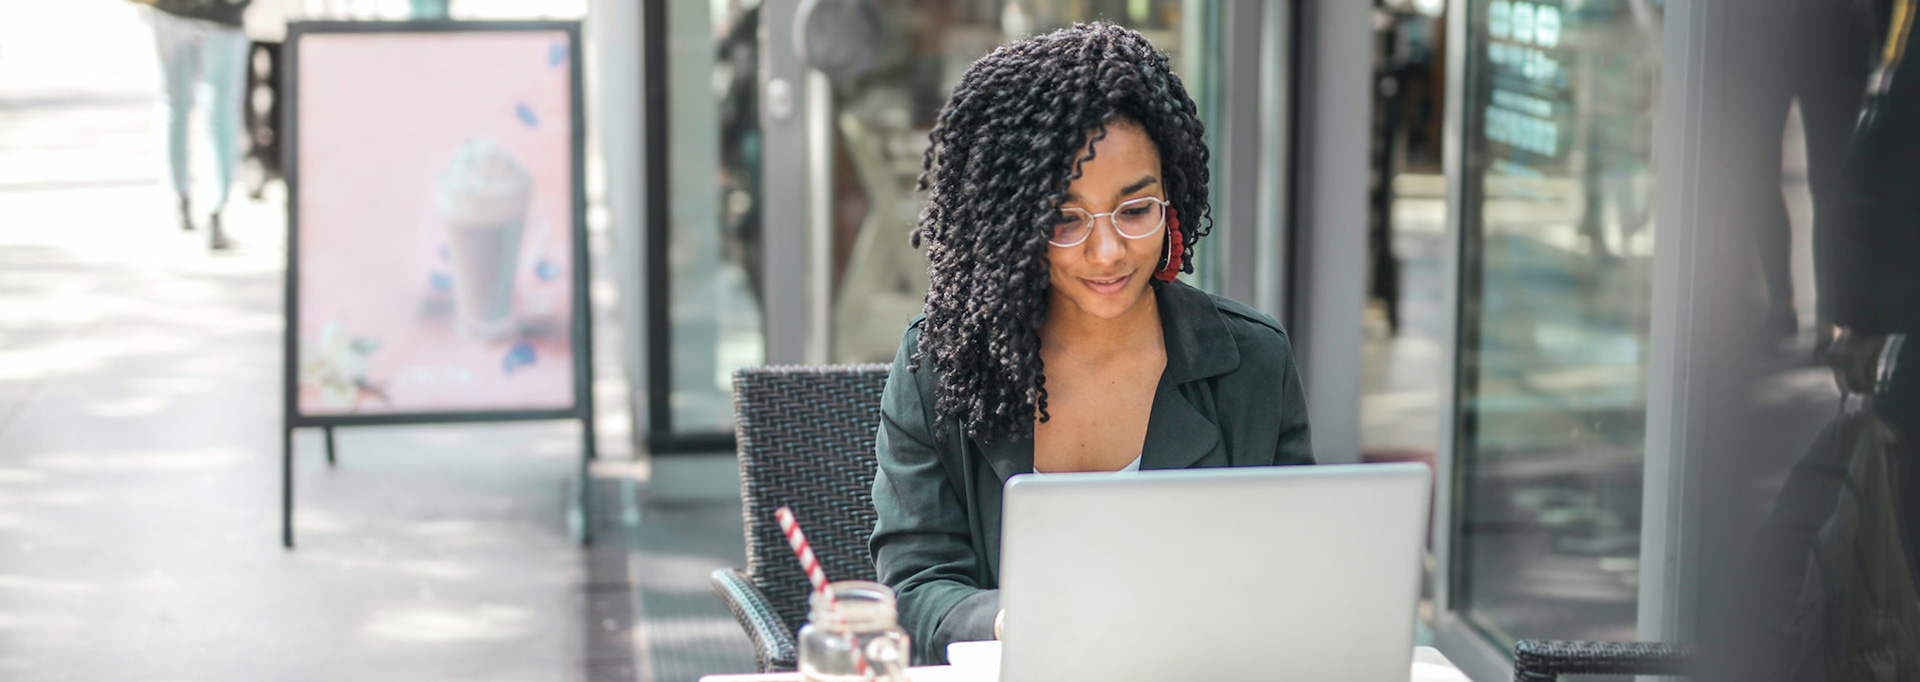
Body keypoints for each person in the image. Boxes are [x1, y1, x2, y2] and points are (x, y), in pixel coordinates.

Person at [867, 23, 1315, 665]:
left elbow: (1296, 579)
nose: (1107, 254)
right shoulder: (940, 366)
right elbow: (913, 590)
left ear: (1173, 202)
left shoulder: (1251, 363)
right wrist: (1008, 619)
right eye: (1065, 219)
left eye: (1135, 211)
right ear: (1012, 224)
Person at [143, 0, 252, 250]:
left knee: (178, 104)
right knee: (219, 111)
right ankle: (214, 207)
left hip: (177, 12)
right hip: (220, 13)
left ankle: (183, 198)